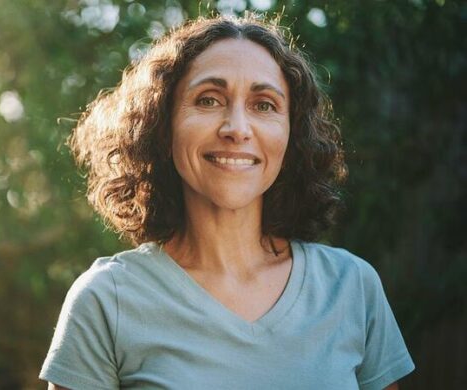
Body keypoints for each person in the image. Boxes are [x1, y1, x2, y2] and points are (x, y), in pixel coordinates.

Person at [40, 15, 414, 390]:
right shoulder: (107, 300)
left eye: (264, 105)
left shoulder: (351, 287)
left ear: (291, 136)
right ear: (163, 126)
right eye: (208, 100)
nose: (237, 128)